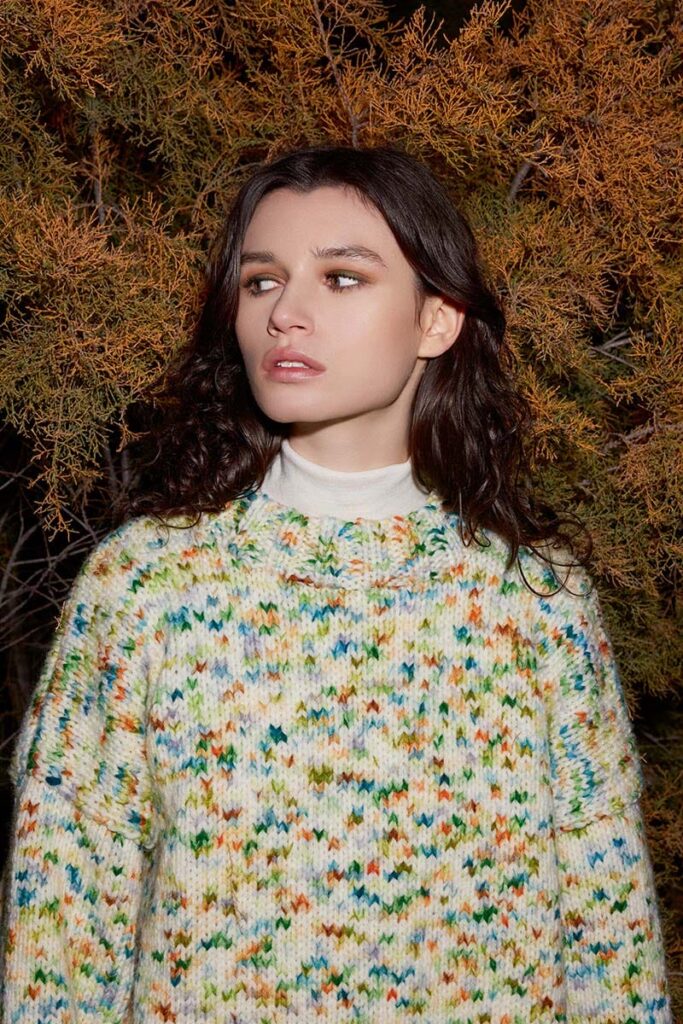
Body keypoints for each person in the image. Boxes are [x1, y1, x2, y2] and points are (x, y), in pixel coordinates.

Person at [0, 144, 671, 1023]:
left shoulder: (534, 601)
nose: (285, 313)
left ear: (437, 321)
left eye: (342, 278)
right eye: (261, 281)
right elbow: (63, 913)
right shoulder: (145, 587)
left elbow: (609, 929)